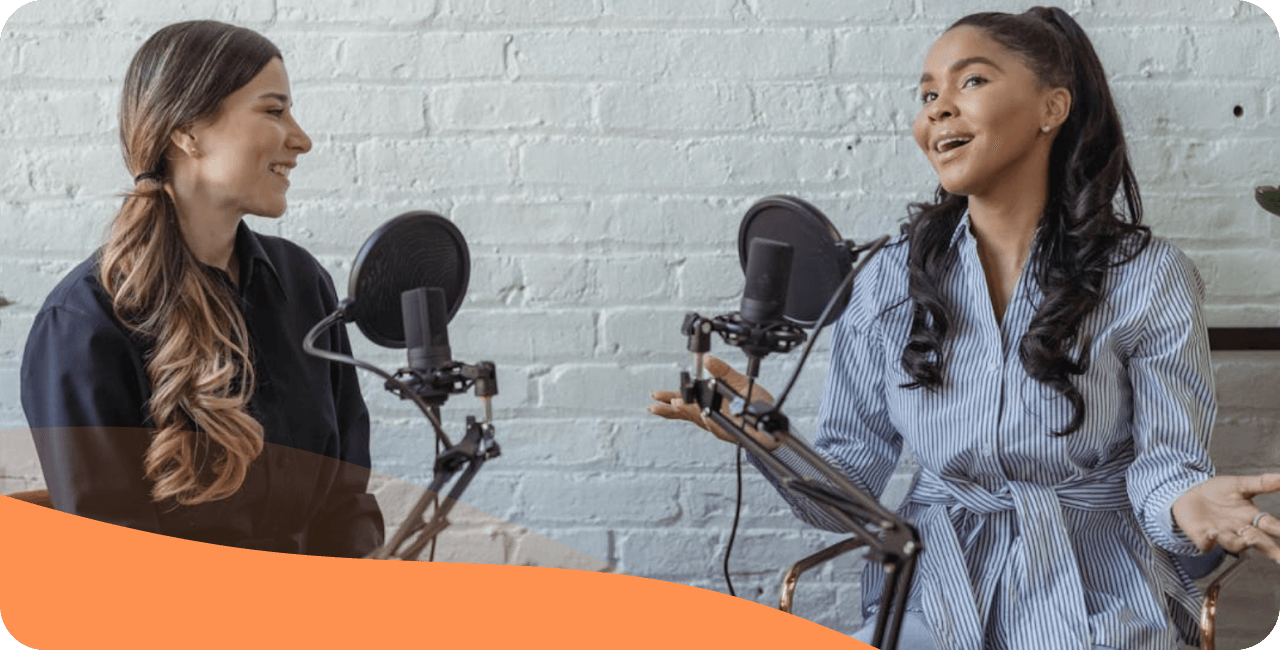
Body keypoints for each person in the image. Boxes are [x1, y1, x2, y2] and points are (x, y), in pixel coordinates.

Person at [651, 7, 1280, 649]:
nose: (938, 109)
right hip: (934, 589)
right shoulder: (884, 279)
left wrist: (1187, 504)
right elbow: (846, 491)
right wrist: (768, 436)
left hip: (1098, 587)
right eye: (928, 95)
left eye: (970, 82)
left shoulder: (1149, 275)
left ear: (1051, 108)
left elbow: (1165, 464)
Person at [20, 20, 384, 557]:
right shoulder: (82, 323)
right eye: (273, 110)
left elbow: (345, 499)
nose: (302, 139)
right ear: (188, 132)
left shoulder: (303, 284)